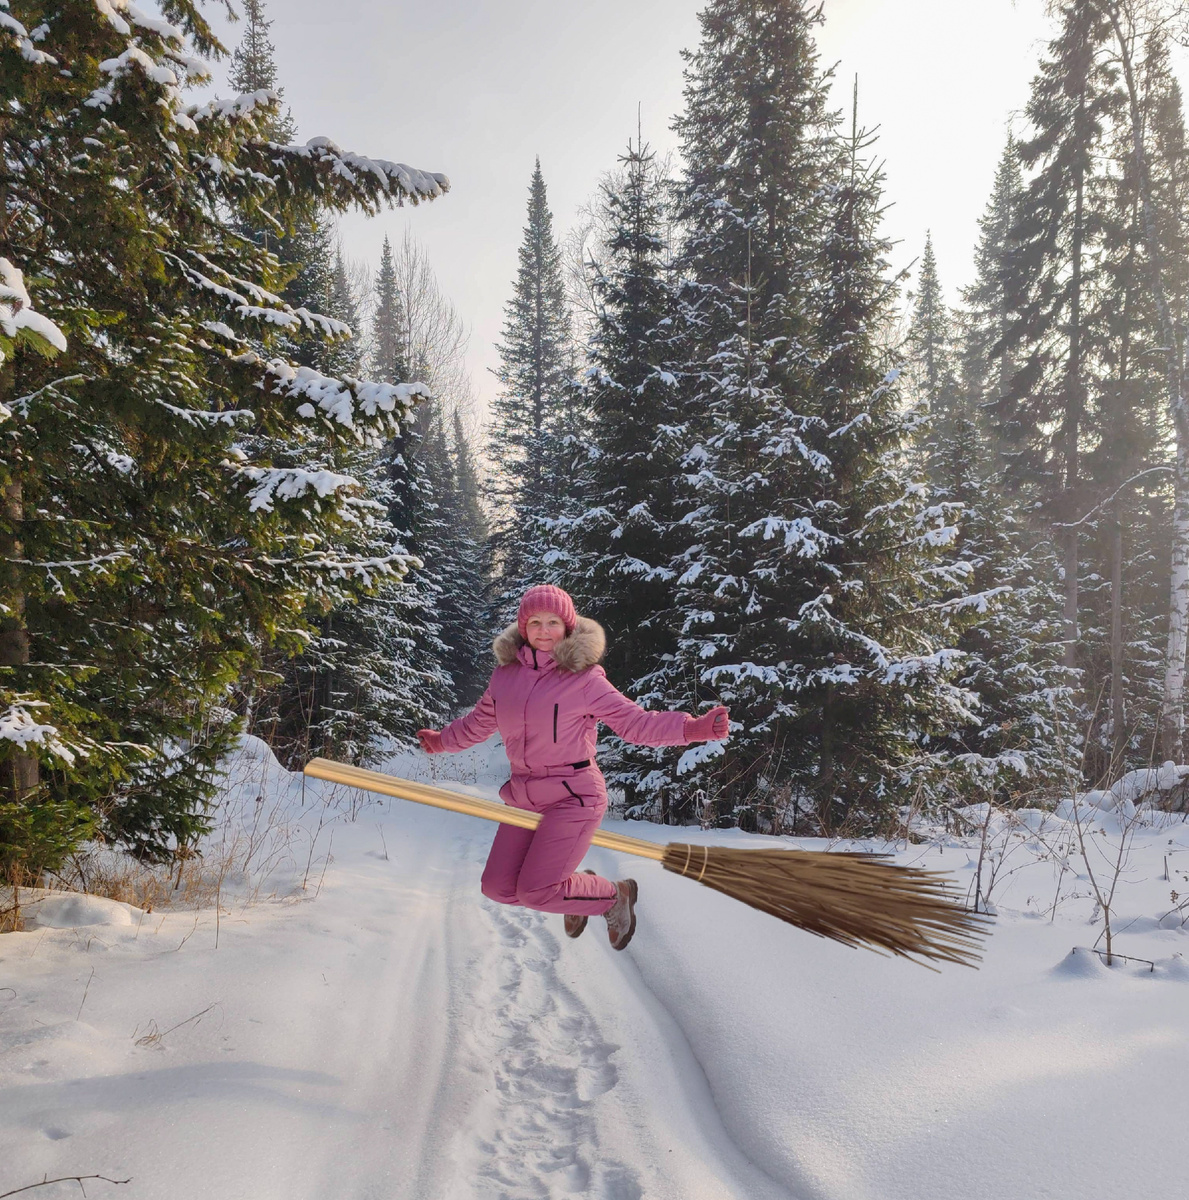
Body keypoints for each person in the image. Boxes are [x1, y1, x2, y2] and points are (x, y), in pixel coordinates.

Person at [417, 584, 729, 950]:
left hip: (573, 795)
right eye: (534, 622)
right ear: (523, 627)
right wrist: (441, 741)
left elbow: (635, 723)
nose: (543, 630)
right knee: (498, 888)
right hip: (524, 795)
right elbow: (478, 723)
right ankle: (573, 890)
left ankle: (615, 896)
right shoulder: (505, 677)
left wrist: (693, 728)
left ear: (567, 626)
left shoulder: (584, 678)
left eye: (552, 622)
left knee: (535, 891)